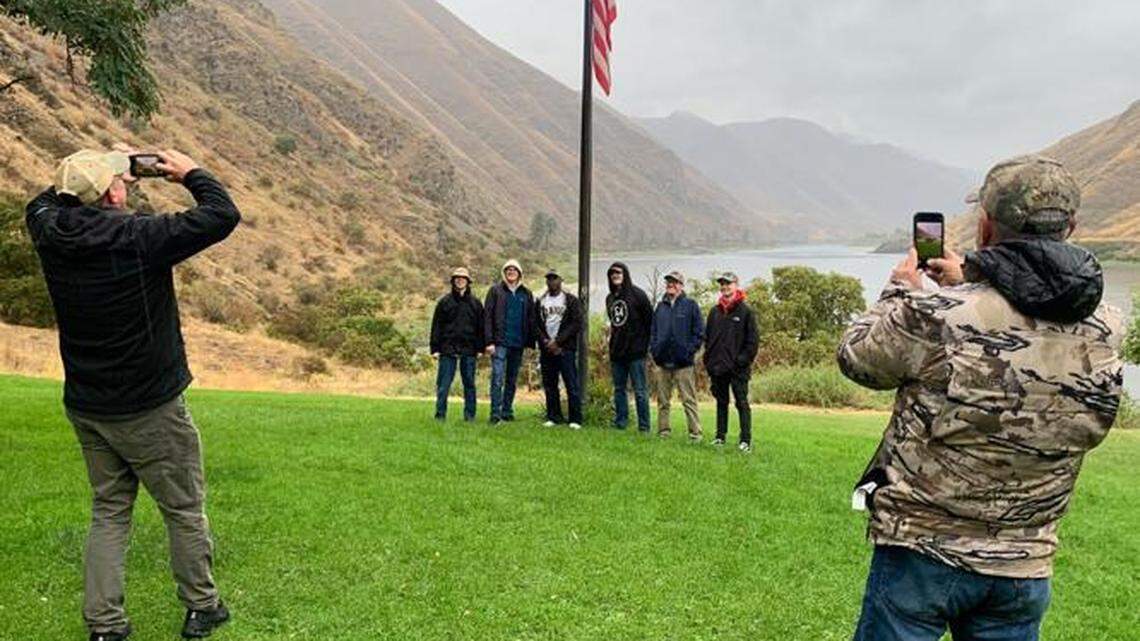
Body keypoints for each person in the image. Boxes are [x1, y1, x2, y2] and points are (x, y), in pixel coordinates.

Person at [837, 155, 1125, 641]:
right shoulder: (1108, 328)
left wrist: (900, 292)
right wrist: (972, 278)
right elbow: (1032, 301)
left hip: (922, 550)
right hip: (1025, 561)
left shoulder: (935, 316)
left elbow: (857, 358)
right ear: (1071, 227)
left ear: (986, 226)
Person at [26, 148, 240, 640]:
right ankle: (202, 605)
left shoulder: (46, 228)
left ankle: (105, 625)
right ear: (112, 192)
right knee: (182, 507)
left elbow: (47, 200)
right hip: (149, 405)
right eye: (117, 180)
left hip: (88, 403)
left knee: (109, 511)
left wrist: (87, 169)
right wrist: (191, 173)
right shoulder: (139, 237)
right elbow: (221, 214)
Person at [703, 272, 758, 453]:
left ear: (736, 285)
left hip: (738, 369)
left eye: (728, 284)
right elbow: (708, 340)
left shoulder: (746, 311)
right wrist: (709, 363)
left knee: (741, 403)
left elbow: (752, 343)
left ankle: (745, 440)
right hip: (718, 367)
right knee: (721, 402)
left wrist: (741, 361)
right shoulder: (714, 312)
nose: (725, 287)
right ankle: (720, 436)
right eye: (722, 284)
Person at [649, 271, 704, 440]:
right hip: (663, 362)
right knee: (663, 401)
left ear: (681, 285)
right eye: (669, 282)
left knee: (689, 399)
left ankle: (695, 433)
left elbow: (699, 332)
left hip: (683, 363)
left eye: (674, 282)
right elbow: (654, 331)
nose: (671, 285)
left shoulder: (690, 305)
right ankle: (663, 431)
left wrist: (689, 351)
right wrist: (655, 350)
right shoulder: (660, 307)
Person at [483, 259, 536, 424]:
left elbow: (531, 319)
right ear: (504, 273)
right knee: (497, 378)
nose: (511, 271)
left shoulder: (526, 294)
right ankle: (495, 414)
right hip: (499, 342)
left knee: (512, 379)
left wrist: (530, 343)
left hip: (518, 343)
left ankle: (507, 411)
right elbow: (487, 317)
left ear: (520, 273)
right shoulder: (495, 291)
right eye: (508, 269)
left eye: (514, 269)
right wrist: (489, 341)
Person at [430, 267, 485, 422]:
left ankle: (470, 416)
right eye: (457, 278)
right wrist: (435, 348)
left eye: (463, 278)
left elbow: (481, 327)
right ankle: (440, 415)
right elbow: (437, 326)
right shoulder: (444, 302)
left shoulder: (476, 303)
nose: (460, 280)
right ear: (453, 281)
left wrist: (480, 348)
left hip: (469, 349)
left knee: (469, 384)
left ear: (468, 281)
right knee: (443, 385)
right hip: (447, 349)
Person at [605, 262, 654, 432]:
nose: (615, 275)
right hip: (617, 352)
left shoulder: (638, 295)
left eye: (618, 272)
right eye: (611, 273)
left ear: (625, 273)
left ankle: (644, 426)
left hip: (636, 352)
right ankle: (621, 422)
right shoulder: (610, 298)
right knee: (619, 389)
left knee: (640, 390)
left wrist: (645, 346)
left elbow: (650, 321)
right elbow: (614, 324)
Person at [535, 268, 584, 428]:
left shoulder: (571, 300)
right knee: (550, 384)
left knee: (571, 384)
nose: (551, 281)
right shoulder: (541, 301)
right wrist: (545, 341)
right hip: (547, 349)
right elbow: (535, 324)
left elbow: (576, 323)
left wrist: (558, 342)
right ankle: (553, 416)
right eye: (549, 278)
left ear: (561, 281)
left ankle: (575, 419)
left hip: (565, 349)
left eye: (554, 278)